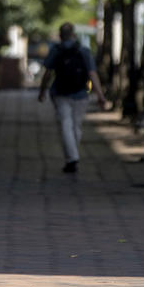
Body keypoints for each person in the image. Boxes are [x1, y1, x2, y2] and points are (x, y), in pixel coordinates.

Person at [37, 22, 109, 174]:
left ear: (60, 35)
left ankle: (72, 157)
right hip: (81, 93)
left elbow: (48, 73)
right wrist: (100, 95)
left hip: (60, 93)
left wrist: (42, 91)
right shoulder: (83, 50)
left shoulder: (56, 50)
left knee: (65, 124)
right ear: (73, 34)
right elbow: (92, 73)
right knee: (76, 126)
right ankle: (72, 155)